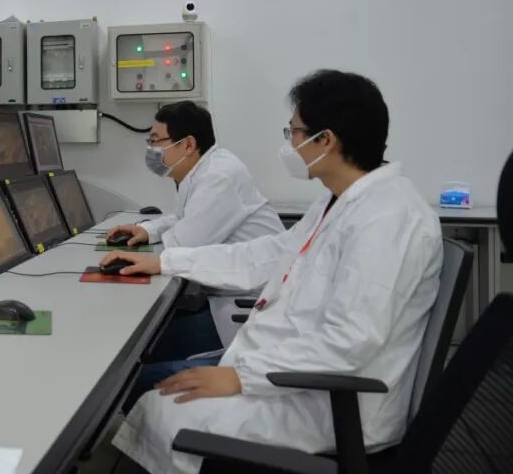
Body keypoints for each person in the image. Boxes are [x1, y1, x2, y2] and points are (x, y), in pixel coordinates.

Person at [105, 70, 443, 474]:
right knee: (151, 393)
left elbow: (351, 341)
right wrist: (165, 262)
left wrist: (241, 377)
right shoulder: (340, 202)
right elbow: (266, 255)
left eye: (294, 132)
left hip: (333, 406)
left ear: (327, 140)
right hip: (290, 370)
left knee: (159, 402)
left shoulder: (388, 217)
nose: (290, 144)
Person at [108, 101, 284, 356]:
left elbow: (183, 244)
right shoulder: (202, 171)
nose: (151, 150)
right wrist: (148, 230)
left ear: (188, 145)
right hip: (228, 295)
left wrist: (149, 249)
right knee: (142, 338)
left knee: (137, 350)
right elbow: (182, 218)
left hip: (245, 309)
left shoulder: (219, 176)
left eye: (155, 141)